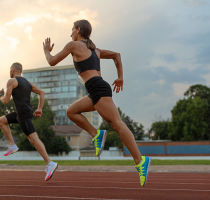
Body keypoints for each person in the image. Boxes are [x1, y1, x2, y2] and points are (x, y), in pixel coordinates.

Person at [43, 19, 151, 186]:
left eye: (72, 30)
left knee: (117, 124)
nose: (70, 33)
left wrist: (46, 51)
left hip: (97, 88)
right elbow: (117, 55)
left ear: (78, 30)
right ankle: (96, 134)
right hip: (95, 90)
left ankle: (140, 160)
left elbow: (51, 61)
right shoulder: (96, 50)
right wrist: (120, 77)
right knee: (71, 111)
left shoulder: (73, 45)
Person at [0, 62, 58, 181]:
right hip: (23, 113)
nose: (10, 71)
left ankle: (50, 163)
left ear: (13, 69)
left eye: (10, 69)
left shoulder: (12, 81)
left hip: (23, 114)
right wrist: (39, 108)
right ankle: (12, 145)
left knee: (33, 139)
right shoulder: (28, 83)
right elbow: (42, 92)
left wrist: (1, 95)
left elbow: (5, 101)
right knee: (1, 121)